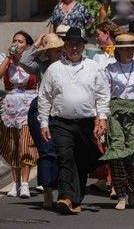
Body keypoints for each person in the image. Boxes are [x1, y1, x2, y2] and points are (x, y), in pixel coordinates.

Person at [38, 27, 110, 214]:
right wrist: (44, 123)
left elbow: (102, 94)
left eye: (78, 44)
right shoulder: (54, 69)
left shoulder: (93, 67)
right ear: (65, 46)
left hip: (86, 123)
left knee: (81, 161)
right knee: (65, 157)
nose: (74, 48)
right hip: (61, 122)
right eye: (71, 44)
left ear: (83, 46)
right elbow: (44, 97)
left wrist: (102, 118)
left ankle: (75, 199)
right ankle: (65, 196)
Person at [100, 34, 134, 210]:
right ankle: (121, 193)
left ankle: (133, 187)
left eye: (132, 48)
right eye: (125, 49)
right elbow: (104, 96)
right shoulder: (110, 68)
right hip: (115, 111)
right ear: (119, 50)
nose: (129, 52)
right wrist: (102, 119)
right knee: (117, 149)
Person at [22, 33, 64, 208]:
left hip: (62, 109)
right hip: (41, 108)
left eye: (59, 49)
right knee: (46, 151)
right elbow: (24, 61)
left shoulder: (68, 64)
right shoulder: (40, 65)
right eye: (54, 49)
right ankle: (47, 189)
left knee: (63, 150)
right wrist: (37, 43)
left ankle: (63, 189)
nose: (58, 52)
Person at [0, 31, 38, 199]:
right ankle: (14, 183)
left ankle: (24, 184)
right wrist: (8, 57)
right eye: (14, 40)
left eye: (20, 41)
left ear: (27, 46)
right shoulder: (6, 60)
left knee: (26, 143)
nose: (16, 43)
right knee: (12, 144)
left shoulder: (33, 61)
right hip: (10, 106)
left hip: (28, 104)